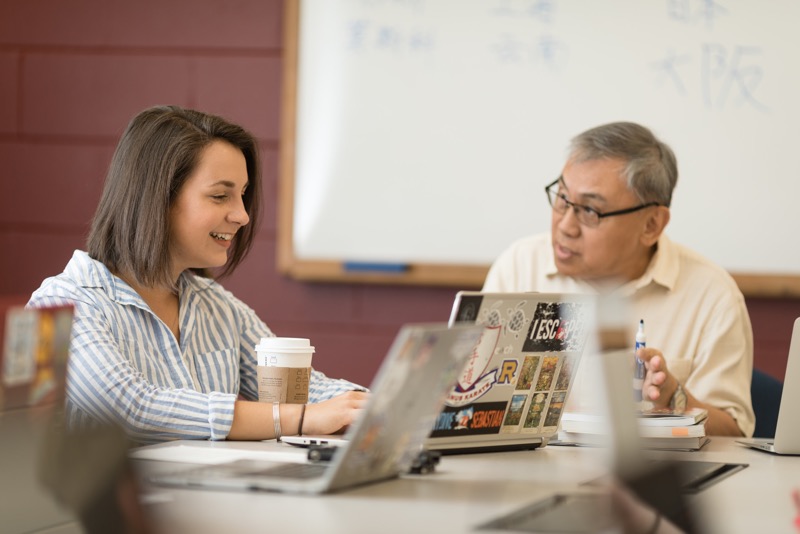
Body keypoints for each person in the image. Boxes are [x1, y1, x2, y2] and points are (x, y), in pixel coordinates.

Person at [27, 105, 368, 445]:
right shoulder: (57, 306)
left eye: (243, 195)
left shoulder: (218, 306)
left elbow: (307, 392)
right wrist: (302, 418)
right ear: (157, 199)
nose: (242, 215)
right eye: (220, 196)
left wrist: (383, 407)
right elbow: (131, 409)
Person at [483, 122, 753, 437]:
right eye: (562, 199)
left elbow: (735, 434)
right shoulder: (518, 267)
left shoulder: (712, 296)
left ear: (652, 224)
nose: (565, 226)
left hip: (649, 480)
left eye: (589, 211)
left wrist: (673, 398)